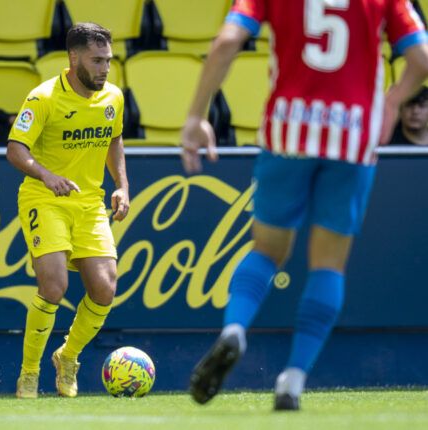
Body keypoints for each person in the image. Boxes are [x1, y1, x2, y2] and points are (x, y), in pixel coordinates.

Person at [180, 0, 428, 411]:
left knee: (267, 250)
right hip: (352, 138)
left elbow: (227, 42)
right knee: (328, 264)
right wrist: (393, 100)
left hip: (288, 131)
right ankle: (292, 381)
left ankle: (236, 330)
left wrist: (195, 116)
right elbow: (420, 57)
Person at [6, 22, 130, 399]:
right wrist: (46, 176)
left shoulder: (113, 97)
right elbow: (15, 149)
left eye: (108, 60)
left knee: (105, 288)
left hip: (89, 203)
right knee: (54, 285)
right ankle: (29, 373)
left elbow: (114, 140)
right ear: (73, 57)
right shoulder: (43, 98)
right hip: (45, 198)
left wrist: (122, 186)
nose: (104, 68)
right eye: (96, 61)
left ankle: (68, 356)